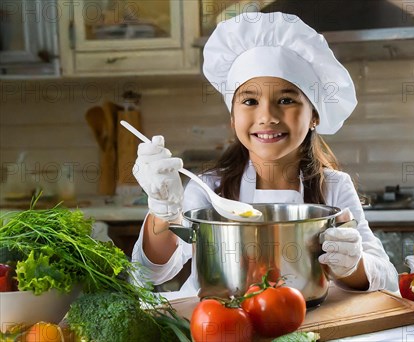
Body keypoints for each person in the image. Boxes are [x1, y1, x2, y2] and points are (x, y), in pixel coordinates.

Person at [131, 12, 399, 298]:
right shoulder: (207, 188)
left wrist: (352, 266)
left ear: (314, 116)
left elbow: (387, 276)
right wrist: (162, 213)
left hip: (307, 324)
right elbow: (149, 274)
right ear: (233, 118)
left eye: (286, 100)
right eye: (249, 101)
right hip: (217, 324)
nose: (267, 116)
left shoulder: (333, 187)